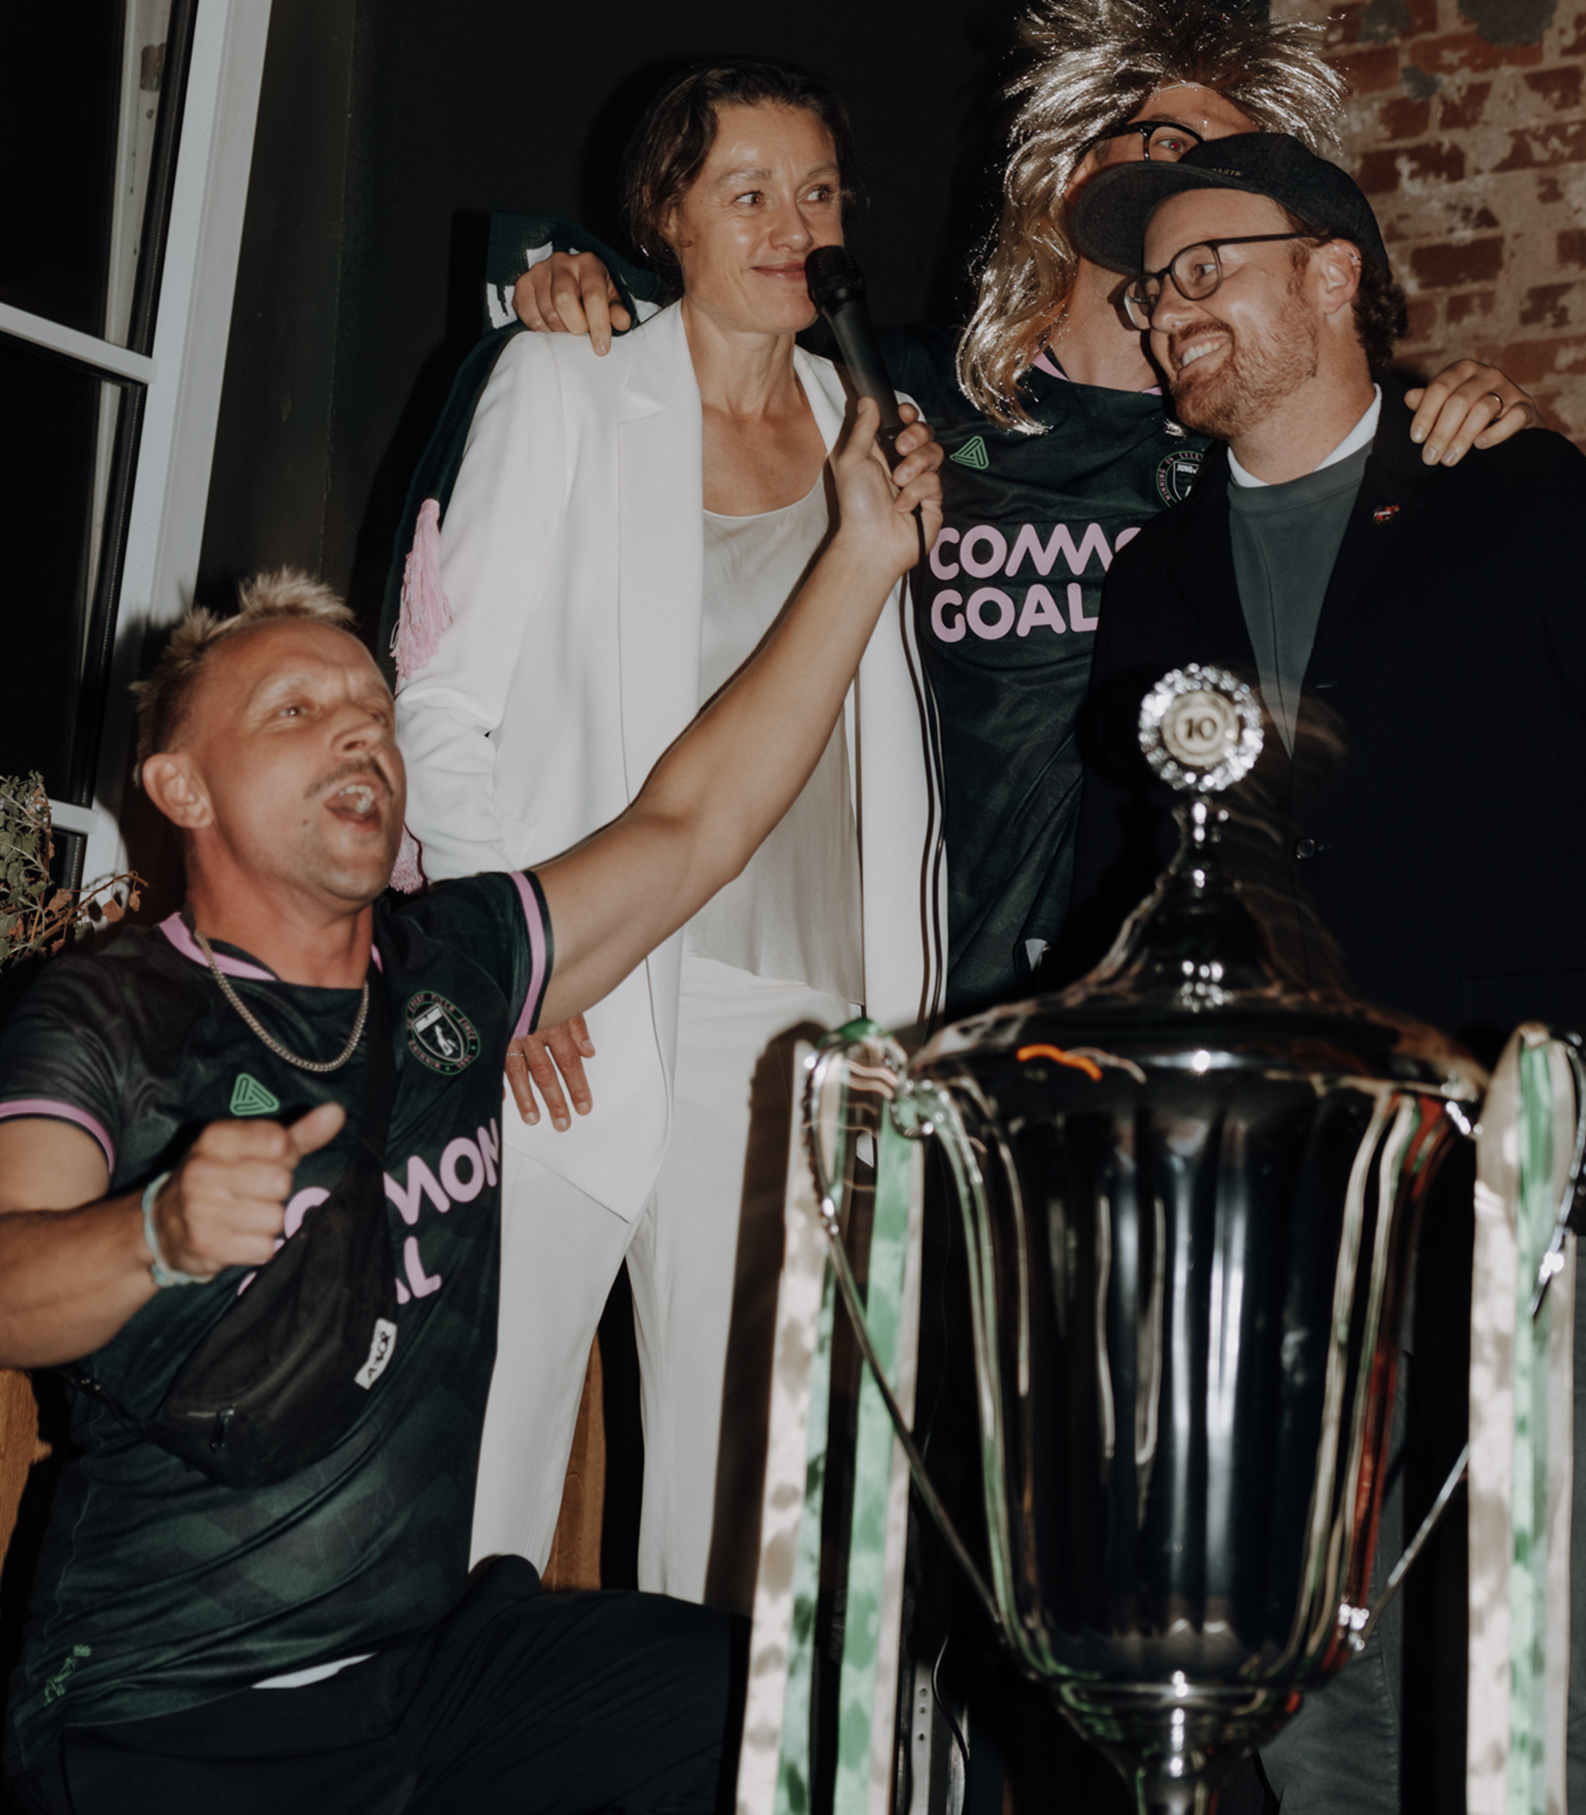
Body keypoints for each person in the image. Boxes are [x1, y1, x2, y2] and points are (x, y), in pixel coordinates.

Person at [0, 398, 930, 1815]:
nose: (359, 739)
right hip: (168, 1707)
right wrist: (158, 1236)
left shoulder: (456, 962)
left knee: (788, 1718)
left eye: (374, 712)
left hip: (428, 1673)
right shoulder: (104, 1015)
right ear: (179, 783)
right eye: (297, 712)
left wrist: (863, 554)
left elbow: (694, 824)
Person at [1063, 132, 1586, 1812]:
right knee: (1315, 1676)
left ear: (1333, 274)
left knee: (1537, 1656)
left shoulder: (1513, 490)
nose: (1168, 316)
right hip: (1282, 1193)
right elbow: (1135, 873)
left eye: (1202, 271)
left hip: (1524, 1152)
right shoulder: (1157, 575)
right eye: (1149, 290)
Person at [488, 0, 1543, 1029]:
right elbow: (708, 387)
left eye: (1244, 167)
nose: (1209, 188)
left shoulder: (1260, 441)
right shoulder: (888, 393)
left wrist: (1459, 415)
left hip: (1152, 995)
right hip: (888, 968)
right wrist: (588, 290)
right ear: (1077, 168)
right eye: (1178, 145)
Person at [390, 58, 946, 1612]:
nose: (792, 224)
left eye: (819, 192)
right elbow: (438, 703)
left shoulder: (874, 425)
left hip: (798, 1035)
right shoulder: (570, 380)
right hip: (575, 1002)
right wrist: (499, 960)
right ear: (666, 221)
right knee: (479, 1479)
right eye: (747, 192)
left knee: (746, 1538)